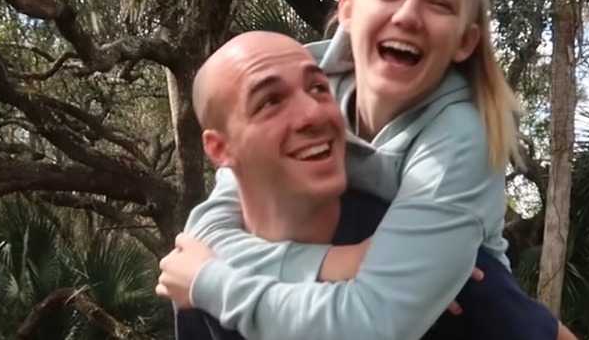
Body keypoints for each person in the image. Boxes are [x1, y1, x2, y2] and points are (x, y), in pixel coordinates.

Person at [158, 0, 576, 340]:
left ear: (465, 42)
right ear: (349, 12)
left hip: (464, 307)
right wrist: (335, 262)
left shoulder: (462, 135)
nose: (409, 15)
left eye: (440, 4)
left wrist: (210, 282)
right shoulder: (304, 83)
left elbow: (373, 323)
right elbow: (208, 230)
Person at [164, 30, 530, 340]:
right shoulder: (196, 278)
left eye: (319, 88)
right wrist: (336, 263)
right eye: (271, 101)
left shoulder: (421, 249)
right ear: (220, 148)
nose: (313, 113)